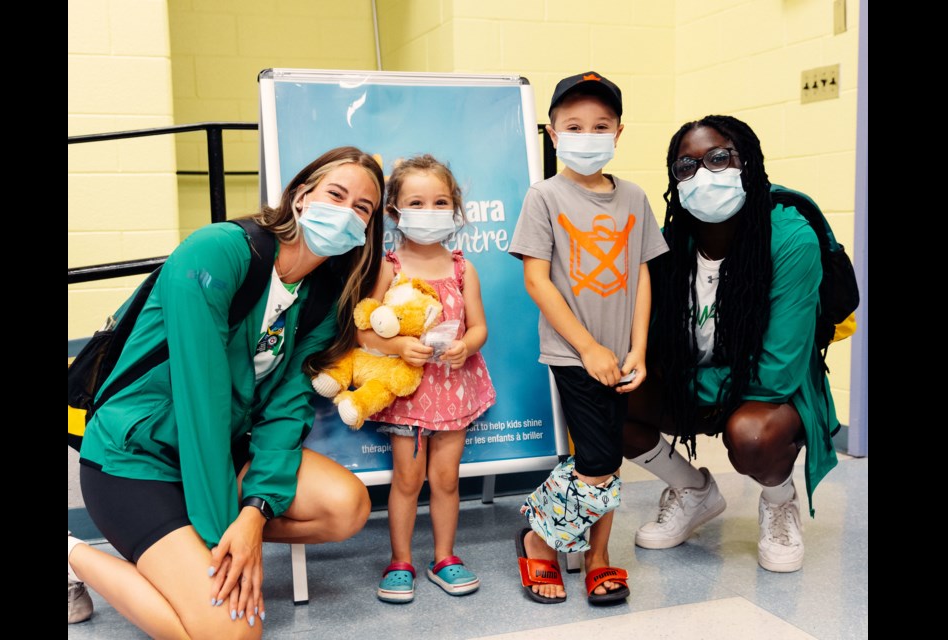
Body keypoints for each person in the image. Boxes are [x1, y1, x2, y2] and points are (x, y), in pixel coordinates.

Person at [67, 146, 385, 637]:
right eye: (335, 194)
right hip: (135, 458)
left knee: (347, 505)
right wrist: (223, 534)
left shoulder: (323, 297)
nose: (346, 212)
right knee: (233, 632)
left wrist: (255, 515)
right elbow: (202, 403)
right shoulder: (218, 251)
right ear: (301, 196)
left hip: (223, 453)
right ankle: (74, 555)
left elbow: (286, 409)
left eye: (363, 208)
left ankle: (193, 549)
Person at [621, 115, 839, 573]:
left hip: (770, 394)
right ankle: (693, 491)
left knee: (750, 434)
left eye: (719, 158)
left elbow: (777, 373)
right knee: (605, 395)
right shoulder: (669, 245)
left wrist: (692, 389)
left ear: (749, 164)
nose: (704, 174)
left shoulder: (791, 238)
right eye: (687, 166)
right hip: (700, 380)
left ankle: (779, 503)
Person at [508, 71, 668, 605]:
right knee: (597, 459)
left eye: (601, 124)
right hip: (573, 352)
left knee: (606, 459)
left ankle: (598, 558)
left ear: (619, 132)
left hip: (622, 354)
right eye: (574, 125)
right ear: (553, 134)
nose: (588, 133)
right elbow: (536, 279)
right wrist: (588, 348)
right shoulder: (544, 196)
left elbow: (643, 274)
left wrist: (637, 348)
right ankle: (538, 537)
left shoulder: (635, 197)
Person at [357, 154, 496, 604]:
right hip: (407, 394)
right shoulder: (388, 267)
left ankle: (444, 557)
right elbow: (363, 327)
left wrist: (467, 346)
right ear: (395, 211)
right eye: (418, 202)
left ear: (454, 208)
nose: (430, 211)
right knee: (406, 479)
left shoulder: (461, 269)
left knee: (446, 479)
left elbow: (478, 327)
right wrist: (397, 347)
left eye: (441, 202)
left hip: (453, 392)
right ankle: (400, 561)